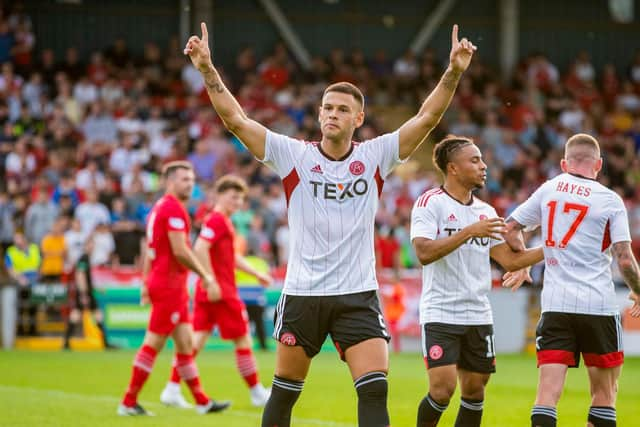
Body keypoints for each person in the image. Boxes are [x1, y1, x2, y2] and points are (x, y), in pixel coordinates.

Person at [184, 21, 477, 427]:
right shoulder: (293, 155)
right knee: (285, 392)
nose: (332, 114)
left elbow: (426, 119)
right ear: (319, 114)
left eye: (342, 109)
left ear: (359, 118)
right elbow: (236, 121)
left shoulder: (376, 155)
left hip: (357, 294)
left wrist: (454, 71)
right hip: (303, 292)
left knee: (375, 388)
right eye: (327, 108)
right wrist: (206, 69)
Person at [503, 133, 640, 427]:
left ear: (565, 163)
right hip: (598, 306)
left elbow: (511, 228)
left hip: (556, 306)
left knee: (547, 395)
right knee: (605, 394)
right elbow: (624, 258)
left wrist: (524, 261)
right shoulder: (610, 200)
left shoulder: (549, 189)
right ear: (599, 165)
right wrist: (639, 291)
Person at [410, 135, 544, 427]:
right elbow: (423, 252)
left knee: (474, 391)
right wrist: (469, 231)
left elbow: (510, 261)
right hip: (441, 311)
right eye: (475, 160)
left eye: (482, 159)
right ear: (453, 168)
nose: (484, 166)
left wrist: (552, 247)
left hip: (478, 314)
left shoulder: (486, 212)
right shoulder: (430, 203)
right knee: (442, 390)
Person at [117, 161, 230, 416]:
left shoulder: (160, 208)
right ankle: (128, 401)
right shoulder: (173, 209)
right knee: (153, 343)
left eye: (192, 180)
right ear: (170, 182)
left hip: (168, 283)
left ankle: (202, 401)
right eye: (184, 180)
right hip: (169, 285)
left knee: (185, 344)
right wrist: (206, 276)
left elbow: (151, 249)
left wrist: (146, 282)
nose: (190, 184)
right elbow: (180, 251)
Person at [160, 174, 272, 408]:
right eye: (233, 197)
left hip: (209, 289)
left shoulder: (222, 221)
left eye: (240, 199)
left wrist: (256, 274)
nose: (237, 203)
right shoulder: (217, 220)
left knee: (195, 342)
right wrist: (210, 280)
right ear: (219, 196)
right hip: (221, 290)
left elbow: (231, 257)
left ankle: (172, 388)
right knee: (243, 339)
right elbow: (199, 248)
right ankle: (256, 393)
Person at [63, 235, 113, 350]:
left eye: (93, 245)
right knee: (88, 315)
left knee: (79, 315)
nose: (92, 247)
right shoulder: (84, 258)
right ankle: (105, 343)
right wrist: (84, 294)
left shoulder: (85, 259)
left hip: (86, 292)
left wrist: (95, 289)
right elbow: (80, 276)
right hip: (84, 294)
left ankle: (66, 343)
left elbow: (85, 277)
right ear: (86, 246)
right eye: (90, 245)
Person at [4, 230, 40, 336]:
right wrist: (20, 279)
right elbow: (10, 269)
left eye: (18, 238)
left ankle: (32, 330)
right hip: (19, 284)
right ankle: (20, 330)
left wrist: (37, 277)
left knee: (33, 307)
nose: (16, 241)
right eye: (15, 239)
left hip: (34, 283)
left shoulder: (34, 248)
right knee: (20, 307)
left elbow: (39, 264)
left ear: (24, 239)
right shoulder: (11, 251)